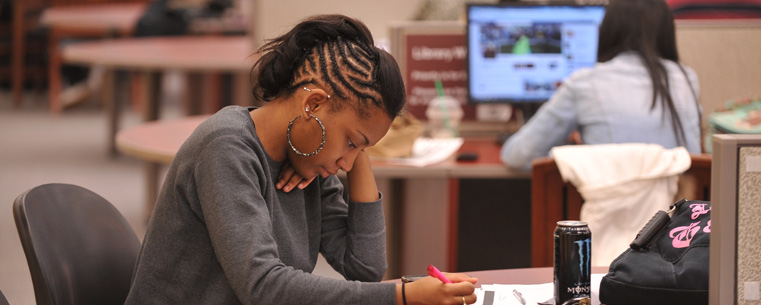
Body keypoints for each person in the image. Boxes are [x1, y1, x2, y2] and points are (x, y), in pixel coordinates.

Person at [124, 14, 478, 305]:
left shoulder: (309, 158)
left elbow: (364, 266)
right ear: (313, 105)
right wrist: (401, 296)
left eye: (361, 149)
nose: (347, 163)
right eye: (352, 142)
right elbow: (263, 286)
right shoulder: (226, 147)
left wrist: (360, 153)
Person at [500, 0, 702, 171]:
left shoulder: (585, 83)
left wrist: (567, 156)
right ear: (667, 33)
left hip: (608, 215)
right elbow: (694, 160)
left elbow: (518, 156)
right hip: (678, 215)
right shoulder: (686, 79)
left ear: (608, 30)